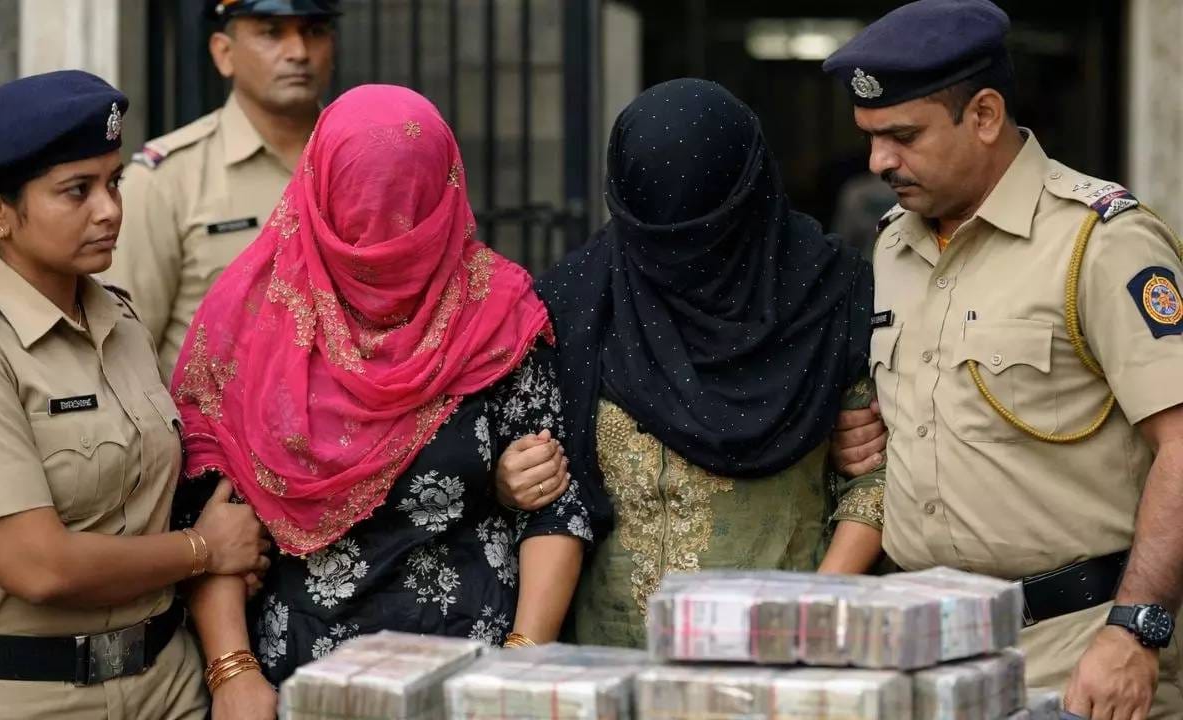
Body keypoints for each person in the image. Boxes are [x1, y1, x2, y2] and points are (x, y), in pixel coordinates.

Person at [170, 85, 592, 720]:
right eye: (360, 200)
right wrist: (233, 671)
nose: (381, 237)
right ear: (321, 186)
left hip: (470, 676)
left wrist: (521, 662)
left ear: (443, 190)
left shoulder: (496, 311)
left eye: (405, 204)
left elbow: (552, 503)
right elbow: (210, 506)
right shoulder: (253, 314)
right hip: (297, 681)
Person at [822, 1, 1183, 717]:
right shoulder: (892, 243)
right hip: (918, 660)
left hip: (1070, 662)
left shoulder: (1100, 242)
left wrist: (1136, 629)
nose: (878, 162)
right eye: (870, 137)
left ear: (985, 115)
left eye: (903, 135)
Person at [0, 70, 268, 719]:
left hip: (163, 683)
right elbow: (39, 566)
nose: (110, 210)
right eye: (78, 190)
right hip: (13, 697)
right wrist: (205, 549)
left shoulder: (118, 321)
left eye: (114, 182)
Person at [502, 78, 880, 649]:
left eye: (704, 229)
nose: (682, 255)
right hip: (608, 666)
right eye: (660, 232)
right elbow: (534, 480)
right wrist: (507, 479)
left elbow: (876, 481)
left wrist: (813, 617)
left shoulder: (827, 294)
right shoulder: (576, 303)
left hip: (778, 657)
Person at [108, 0, 338, 380]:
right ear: (224, 53)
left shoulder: (366, 164)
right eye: (272, 32)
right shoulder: (166, 180)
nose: (298, 52)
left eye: (314, 31)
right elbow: (123, 350)